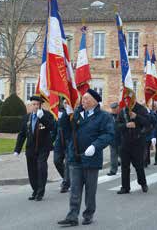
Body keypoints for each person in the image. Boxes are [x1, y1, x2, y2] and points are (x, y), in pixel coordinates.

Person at [58, 89, 114, 226]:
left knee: (90, 190)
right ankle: (72, 216)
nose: (83, 101)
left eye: (86, 99)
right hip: (75, 156)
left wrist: (95, 146)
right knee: (75, 190)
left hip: (91, 158)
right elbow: (64, 129)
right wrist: (66, 113)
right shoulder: (77, 114)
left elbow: (109, 135)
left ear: (95, 101)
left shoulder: (104, 117)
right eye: (82, 99)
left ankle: (88, 214)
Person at [14, 96, 55, 201]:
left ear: (41, 105)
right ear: (30, 105)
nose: (36, 106)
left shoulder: (47, 115)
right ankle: (35, 190)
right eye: (34, 104)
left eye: (38, 104)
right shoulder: (26, 117)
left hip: (43, 147)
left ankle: (40, 192)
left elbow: (52, 127)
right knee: (32, 170)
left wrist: (43, 118)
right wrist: (17, 150)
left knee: (41, 168)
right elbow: (22, 134)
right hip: (30, 148)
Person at [117, 102, 151, 194]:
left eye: (128, 98)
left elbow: (148, 123)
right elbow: (116, 125)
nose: (127, 101)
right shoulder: (123, 110)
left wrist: (137, 117)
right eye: (125, 99)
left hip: (138, 142)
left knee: (139, 165)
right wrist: (125, 125)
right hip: (125, 143)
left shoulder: (141, 109)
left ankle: (143, 183)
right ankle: (125, 187)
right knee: (124, 166)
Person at [54, 100, 72, 193]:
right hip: (59, 141)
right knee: (57, 161)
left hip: (69, 140)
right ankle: (67, 178)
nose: (65, 104)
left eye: (67, 102)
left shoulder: (72, 113)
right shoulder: (57, 111)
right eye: (64, 102)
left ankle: (66, 183)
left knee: (68, 162)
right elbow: (55, 127)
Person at [107, 102, 121, 176]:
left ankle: (125, 167)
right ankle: (113, 170)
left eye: (115, 108)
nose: (114, 110)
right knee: (113, 155)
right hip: (112, 138)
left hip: (121, 138)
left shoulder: (121, 115)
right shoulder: (109, 116)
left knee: (123, 155)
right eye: (113, 109)